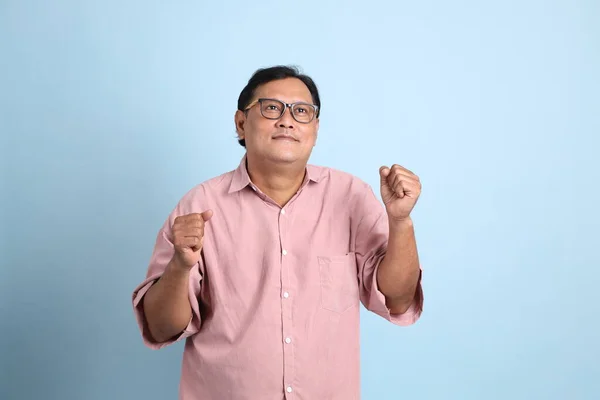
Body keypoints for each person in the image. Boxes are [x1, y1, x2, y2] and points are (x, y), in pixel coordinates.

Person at [131, 65, 424, 400]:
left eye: (301, 112)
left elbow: (398, 299)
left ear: (315, 128)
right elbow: (161, 326)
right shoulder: (200, 205)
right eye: (272, 108)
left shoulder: (351, 197)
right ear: (241, 123)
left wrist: (400, 221)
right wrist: (180, 267)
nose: (287, 120)